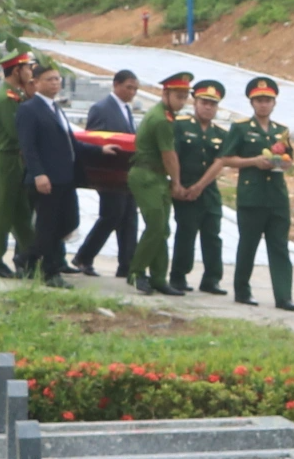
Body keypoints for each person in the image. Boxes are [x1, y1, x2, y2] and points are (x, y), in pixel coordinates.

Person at [222, 76, 294, 309]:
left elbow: (288, 158)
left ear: (274, 103)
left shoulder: (281, 131)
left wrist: (284, 163)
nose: (263, 104)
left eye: (268, 100)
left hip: (276, 196)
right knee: (248, 245)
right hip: (251, 196)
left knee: (280, 247)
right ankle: (242, 291)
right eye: (259, 100)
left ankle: (284, 296)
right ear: (252, 103)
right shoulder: (241, 128)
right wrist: (253, 161)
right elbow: (227, 158)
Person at [69, 69, 141, 278]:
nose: (132, 92)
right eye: (128, 87)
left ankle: (127, 265)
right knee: (111, 215)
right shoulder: (101, 108)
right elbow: (93, 139)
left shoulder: (127, 110)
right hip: (109, 173)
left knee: (129, 217)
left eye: (135, 89)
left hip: (126, 174)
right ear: (116, 85)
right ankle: (84, 256)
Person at [16, 59, 77, 286]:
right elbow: (28, 146)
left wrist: (100, 149)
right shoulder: (29, 109)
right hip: (45, 178)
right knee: (48, 226)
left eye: (57, 79)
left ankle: (26, 258)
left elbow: (70, 142)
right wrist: (39, 173)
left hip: (65, 177)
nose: (55, 83)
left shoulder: (56, 107)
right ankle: (51, 273)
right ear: (36, 83)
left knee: (69, 222)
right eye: (49, 79)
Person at [168, 78, 230, 297]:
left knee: (213, 235)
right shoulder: (181, 125)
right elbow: (172, 154)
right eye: (204, 102)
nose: (208, 107)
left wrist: (201, 186)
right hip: (184, 188)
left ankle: (212, 279)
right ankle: (178, 275)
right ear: (195, 103)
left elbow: (220, 162)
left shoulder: (220, 134)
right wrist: (178, 184)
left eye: (212, 104)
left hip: (208, 191)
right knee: (186, 234)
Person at [126, 70, 186, 296]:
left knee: (163, 229)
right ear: (165, 94)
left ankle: (159, 277)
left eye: (184, 96)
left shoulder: (167, 115)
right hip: (146, 177)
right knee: (155, 226)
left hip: (157, 178)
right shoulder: (160, 119)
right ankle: (136, 272)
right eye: (178, 96)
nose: (182, 101)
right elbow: (169, 155)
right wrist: (177, 182)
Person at [0, 49, 32, 278]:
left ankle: (32, 258)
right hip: (3, 158)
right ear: (17, 71)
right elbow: (16, 133)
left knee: (22, 212)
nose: (30, 73)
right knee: (3, 210)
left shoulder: (18, 95)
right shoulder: (5, 98)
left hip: (15, 159)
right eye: (27, 68)